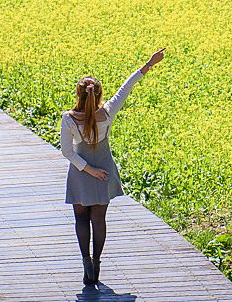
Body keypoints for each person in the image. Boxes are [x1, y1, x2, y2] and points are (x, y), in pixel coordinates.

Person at [61, 48, 166, 285]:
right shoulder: (108, 112)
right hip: (104, 171)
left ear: (78, 94)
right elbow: (126, 87)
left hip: (80, 171)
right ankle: (97, 262)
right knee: (99, 219)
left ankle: (86, 261)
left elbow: (67, 151)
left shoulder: (68, 119)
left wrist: (87, 169)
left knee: (80, 219)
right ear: (99, 95)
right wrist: (149, 63)